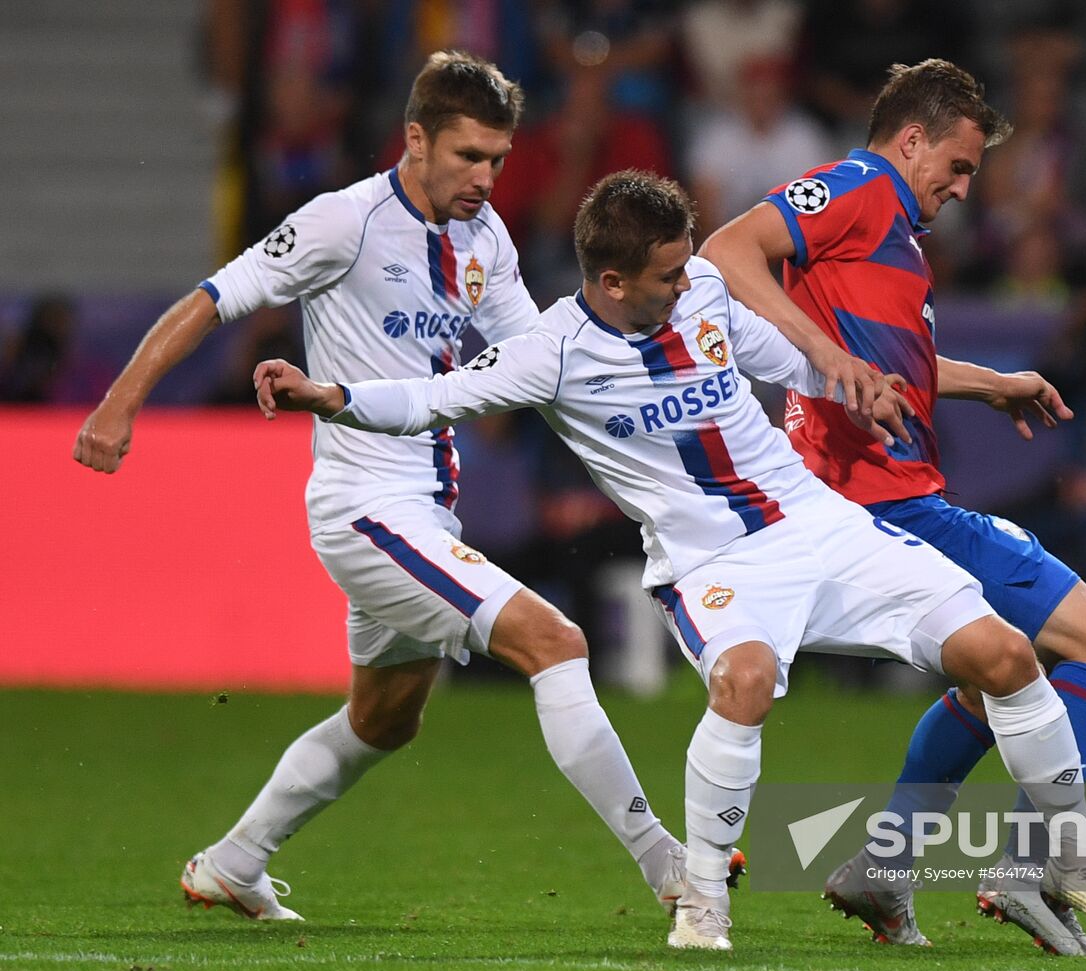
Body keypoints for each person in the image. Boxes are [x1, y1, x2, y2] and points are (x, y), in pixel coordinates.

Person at [251, 169, 1086, 954]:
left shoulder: (710, 297)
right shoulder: (551, 353)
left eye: (690, 263)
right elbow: (432, 397)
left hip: (818, 525)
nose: (692, 281)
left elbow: (806, 365)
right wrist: (327, 393)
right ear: (610, 281)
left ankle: (1072, 857)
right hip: (711, 563)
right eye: (670, 273)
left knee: (1006, 656)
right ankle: (703, 908)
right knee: (746, 682)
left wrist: (897, 381)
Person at [71, 51, 694, 923]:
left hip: (427, 509)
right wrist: (117, 408)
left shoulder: (488, 239)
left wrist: (653, 448)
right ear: (415, 139)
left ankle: (232, 861)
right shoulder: (343, 223)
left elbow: (536, 364)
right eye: (468, 156)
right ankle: (670, 866)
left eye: (499, 160)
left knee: (384, 720)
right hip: (365, 511)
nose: (485, 177)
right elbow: (214, 298)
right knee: (554, 641)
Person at [699, 58, 1086, 956]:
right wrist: (829, 359)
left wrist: (989, 383)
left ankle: (885, 865)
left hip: (881, 500)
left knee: (997, 677)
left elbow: (889, 368)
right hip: (884, 502)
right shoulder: (863, 186)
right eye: (958, 164)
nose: (962, 186)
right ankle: (1033, 863)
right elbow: (726, 251)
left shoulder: (892, 233)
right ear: (911, 140)